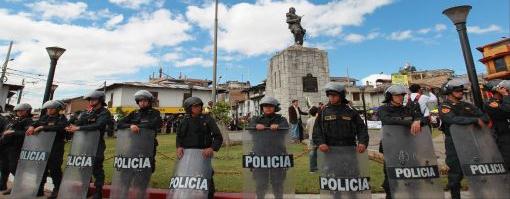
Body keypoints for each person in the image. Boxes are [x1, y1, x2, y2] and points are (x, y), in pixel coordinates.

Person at [439, 79, 490, 199]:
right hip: (454, 143)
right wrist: (473, 120)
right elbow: (451, 119)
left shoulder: (468, 105)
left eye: (462, 90)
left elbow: (484, 117)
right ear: (450, 92)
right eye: (458, 90)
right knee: (455, 175)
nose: (461, 92)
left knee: (477, 171)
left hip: (471, 141)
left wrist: (475, 119)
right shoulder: (445, 106)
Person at [378, 85, 425, 199]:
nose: (400, 97)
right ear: (390, 97)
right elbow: (387, 120)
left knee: (413, 176)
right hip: (392, 147)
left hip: (409, 145)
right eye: (397, 95)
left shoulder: (408, 108)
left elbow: (423, 118)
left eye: (402, 95)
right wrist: (410, 122)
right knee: (391, 177)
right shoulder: (384, 109)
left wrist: (418, 121)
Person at [65, 91, 112, 199]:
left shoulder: (104, 112)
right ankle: (85, 189)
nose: (91, 101)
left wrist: (79, 128)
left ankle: (98, 192)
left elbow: (98, 125)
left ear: (100, 100)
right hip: (84, 143)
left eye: (94, 99)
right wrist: (72, 123)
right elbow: (78, 122)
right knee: (83, 166)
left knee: (96, 167)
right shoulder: (86, 112)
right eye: (90, 99)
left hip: (97, 143)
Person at [176, 97, 223, 199]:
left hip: (203, 155)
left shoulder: (207, 119)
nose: (199, 108)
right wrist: (179, 147)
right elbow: (179, 136)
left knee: (206, 181)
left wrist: (211, 148)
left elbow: (218, 137)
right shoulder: (184, 120)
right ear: (189, 108)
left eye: (199, 105)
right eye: (195, 106)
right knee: (186, 181)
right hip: (187, 157)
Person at [248, 96, 289, 199]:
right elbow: (250, 127)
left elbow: (286, 128)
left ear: (275, 107)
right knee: (261, 182)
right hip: (260, 154)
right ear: (262, 108)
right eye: (265, 106)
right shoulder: (256, 119)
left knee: (277, 182)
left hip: (277, 154)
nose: (268, 108)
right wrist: (256, 126)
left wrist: (278, 126)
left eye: (271, 106)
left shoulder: (281, 119)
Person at [26, 100, 68, 199]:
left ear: (57, 109)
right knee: (41, 168)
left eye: (52, 108)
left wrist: (42, 127)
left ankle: (57, 189)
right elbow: (35, 123)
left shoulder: (62, 118)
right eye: (48, 108)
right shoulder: (44, 117)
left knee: (54, 169)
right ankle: (39, 189)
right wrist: (32, 126)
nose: (49, 110)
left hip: (56, 147)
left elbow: (60, 127)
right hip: (43, 146)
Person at [313, 82, 368, 154]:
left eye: (334, 95)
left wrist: (362, 142)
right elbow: (317, 130)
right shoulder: (323, 111)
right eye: (329, 95)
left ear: (341, 96)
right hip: (329, 150)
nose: (331, 97)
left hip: (349, 149)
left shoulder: (351, 111)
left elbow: (361, 128)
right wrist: (320, 143)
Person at [117, 90, 161, 173]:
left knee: (147, 165)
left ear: (149, 101)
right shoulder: (134, 113)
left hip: (148, 143)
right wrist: (130, 126)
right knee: (132, 163)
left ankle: (144, 182)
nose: (142, 103)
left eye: (145, 100)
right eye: (140, 101)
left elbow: (152, 125)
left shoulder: (155, 113)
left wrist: (137, 126)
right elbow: (119, 124)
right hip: (134, 143)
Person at [1, 103, 33, 195]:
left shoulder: (28, 121)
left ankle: (19, 186)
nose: (19, 112)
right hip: (6, 146)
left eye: (22, 110)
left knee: (13, 167)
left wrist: (13, 132)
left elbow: (26, 133)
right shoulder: (16, 120)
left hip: (15, 147)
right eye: (18, 110)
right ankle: (2, 185)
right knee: (4, 167)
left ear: (27, 111)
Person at [484, 80, 510, 171]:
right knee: (507, 160)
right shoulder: (491, 103)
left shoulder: (506, 101)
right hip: (503, 136)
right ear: (497, 89)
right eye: (503, 88)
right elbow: (507, 111)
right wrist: (506, 95)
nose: (506, 89)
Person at [306, 106, 319, 173]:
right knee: (317, 153)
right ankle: (316, 167)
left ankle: (312, 169)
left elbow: (307, 129)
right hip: (318, 139)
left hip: (311, 138)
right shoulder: (318, 119)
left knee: (312, 153)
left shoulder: (309, 120)